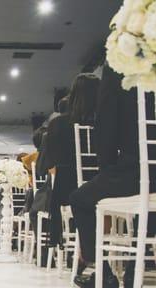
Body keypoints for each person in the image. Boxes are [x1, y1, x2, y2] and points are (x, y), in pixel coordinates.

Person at [70, 65, 156, 288]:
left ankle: (104, 273)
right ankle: (135, 269)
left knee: (80, 199)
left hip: (136, 171)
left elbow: (107, 125)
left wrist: (107, 171)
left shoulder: (120, 65)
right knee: (150, 207)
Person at [41, 75, 100, 250]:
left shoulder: (58, 124)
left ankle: (87, 251)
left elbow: (51, 161)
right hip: (100, 181)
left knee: (80, 196)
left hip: (67, 187)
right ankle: (99, 246)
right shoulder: (101, 121)